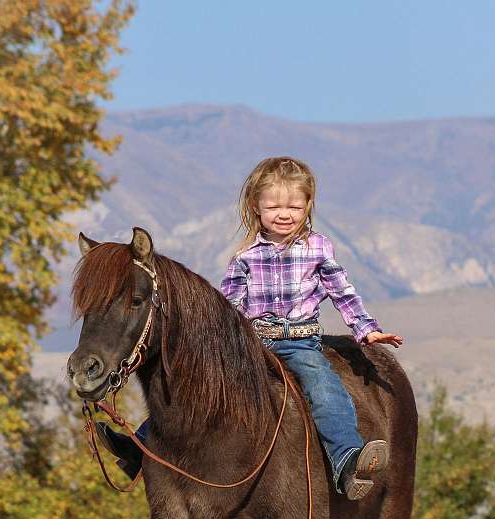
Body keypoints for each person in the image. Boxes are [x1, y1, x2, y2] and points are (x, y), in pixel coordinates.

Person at [97, 156, 403, 499]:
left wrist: (366, 329)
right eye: (273, 206)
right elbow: (227, 308)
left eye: (294, 206)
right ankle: (138, 445)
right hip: (254, 344)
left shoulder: (318, 248)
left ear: (308, 206)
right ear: (256, 207)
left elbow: (341, 291)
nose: (284, 214)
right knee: (196, 389)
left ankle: (347, 460)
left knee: (324, 389)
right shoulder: (245, 256)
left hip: (300, 343)